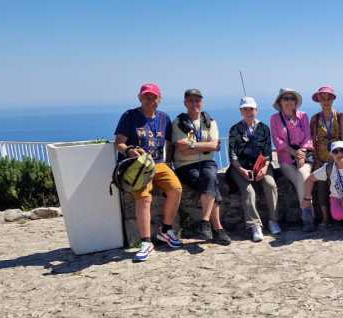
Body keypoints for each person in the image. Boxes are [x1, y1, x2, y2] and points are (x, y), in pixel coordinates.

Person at [113, 83, 183, 262]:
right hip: (138, 165)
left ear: (159, 99)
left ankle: (165, 230)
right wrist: (129, 150)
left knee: (176, 189)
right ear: (140, 98)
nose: (150, 100)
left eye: (153, 97)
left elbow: (169, 142)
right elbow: (119, 142)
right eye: (146, 96)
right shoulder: (129, 116)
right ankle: (146, 242)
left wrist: (169, 162)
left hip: (158, 163)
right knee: (144, 198)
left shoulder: (164, 118)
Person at [170, 89, 231, 245]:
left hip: (206, 162)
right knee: (211, 183)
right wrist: (204, 146)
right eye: (191, 101)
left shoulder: (209, 121)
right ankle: (217, 229)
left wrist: (191, 145)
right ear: (185, 103)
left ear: (202, 102)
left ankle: (204, 222)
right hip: (185, 165)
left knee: (209, 178)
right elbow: (180, 147)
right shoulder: (178, 122)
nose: (194, 104)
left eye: (197, 100)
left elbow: (215, 145)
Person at [228, 96, 280, 242]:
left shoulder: (264, 128)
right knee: (248, 191)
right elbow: (232, 154)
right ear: (241, 111)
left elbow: (267, 151)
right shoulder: (235, 129)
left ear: (256, 110)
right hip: (240, 168)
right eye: (245, 109)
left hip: (262, 166)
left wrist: (265, 168)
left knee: (271, 185)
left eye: (251, 109)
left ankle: (273, 220)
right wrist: (241, 170)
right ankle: (255, 225)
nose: (248, 112)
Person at [270, 88, 314, 231]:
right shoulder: (275, 119)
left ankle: (306, 216)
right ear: (280, 102)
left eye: (292, 98)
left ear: (296, 101)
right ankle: (308, 215)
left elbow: (308, 137)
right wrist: (295, 153)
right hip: (286, 159)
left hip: (304, 156)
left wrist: (302, 153)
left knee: (302, 175)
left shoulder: (303, 116)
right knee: (301, 180)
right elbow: (277, 141)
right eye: (286, 98)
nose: (289, 101)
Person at [309, 86, 343, 228]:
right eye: (323, 98)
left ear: (333, 99)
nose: (326, 101)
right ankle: (325, 218)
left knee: (342, 184)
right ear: (319, 100)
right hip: (322, 158)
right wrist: (316, 160)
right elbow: (313, 141)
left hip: (338, 158)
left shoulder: (340, 116)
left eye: (328, 98)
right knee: (321, 186)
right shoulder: (315, 119)